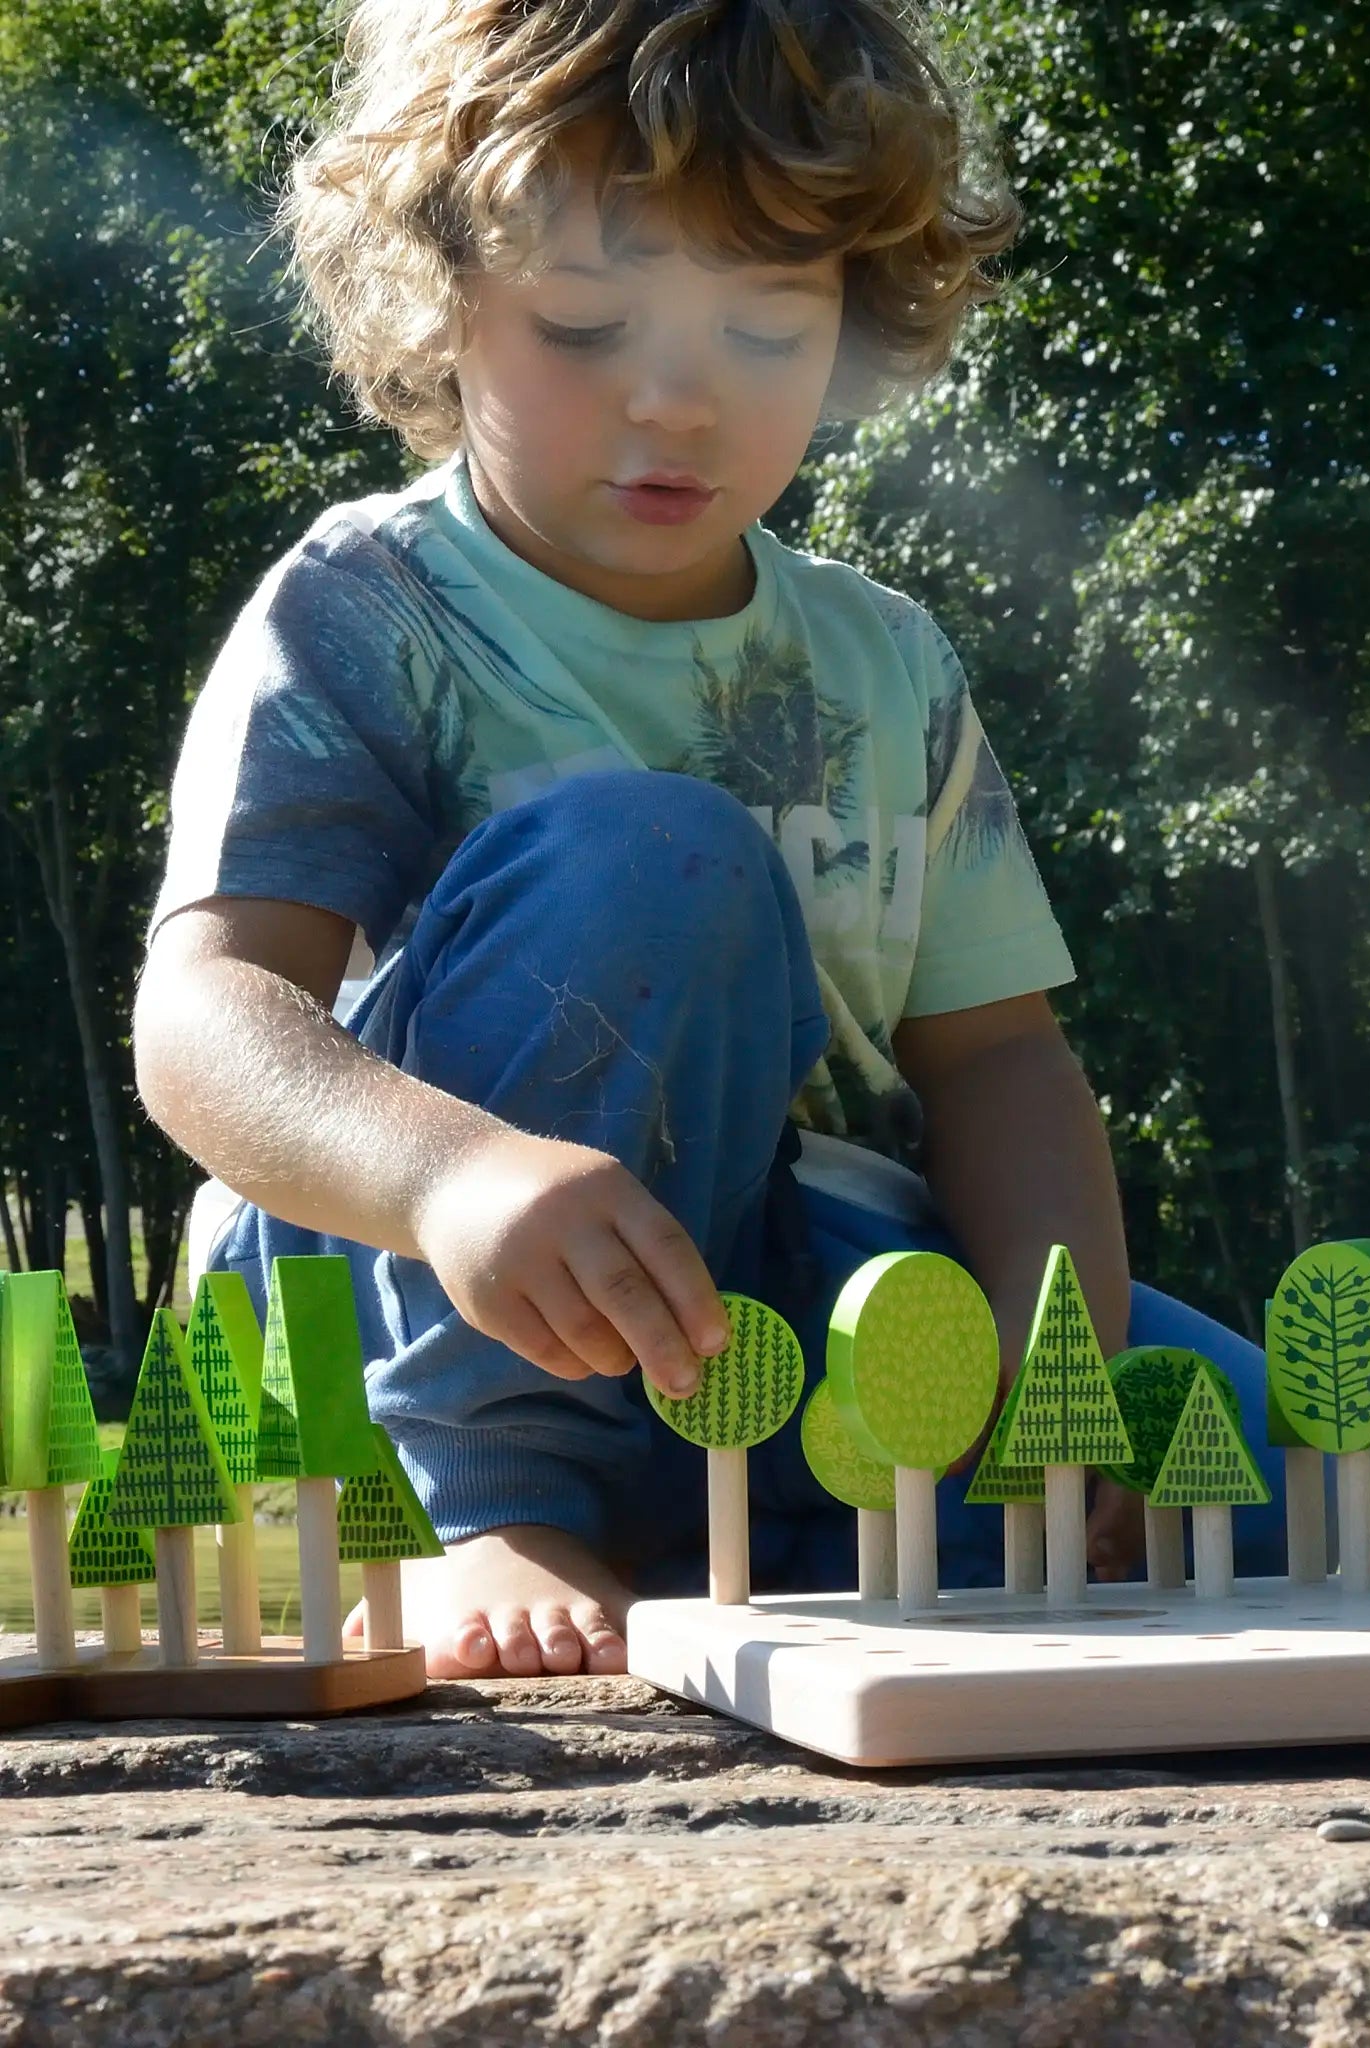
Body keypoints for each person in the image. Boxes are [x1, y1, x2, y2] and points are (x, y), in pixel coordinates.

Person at [135, 0, 1285, 1682]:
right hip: (406, 1283)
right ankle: (493, 1502)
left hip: (761, 1296)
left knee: (1229, 1451)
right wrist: (453, 1173)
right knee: (651, 856)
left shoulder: (883, 658)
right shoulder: (369, 611)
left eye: (763, 335)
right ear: (442, 298)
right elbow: (204, 1021)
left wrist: (1063, 1393)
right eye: (588, 324)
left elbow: (999, 1063)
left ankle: (719, 1526)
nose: (674, 404)